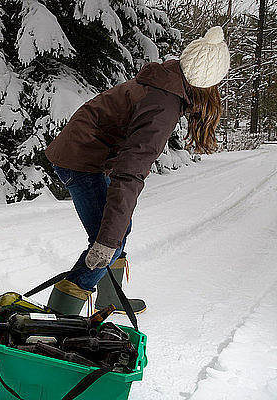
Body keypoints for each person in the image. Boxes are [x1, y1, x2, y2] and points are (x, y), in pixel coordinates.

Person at [45, 26, 230, 315]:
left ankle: (111, 299)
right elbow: (130, 173)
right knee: (107, 240)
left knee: (117, 231)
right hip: (80, 159)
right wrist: (108, 241)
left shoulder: (168, 82)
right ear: (207, 83)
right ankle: (58, 316)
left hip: (88, 151)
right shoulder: (164, 105)